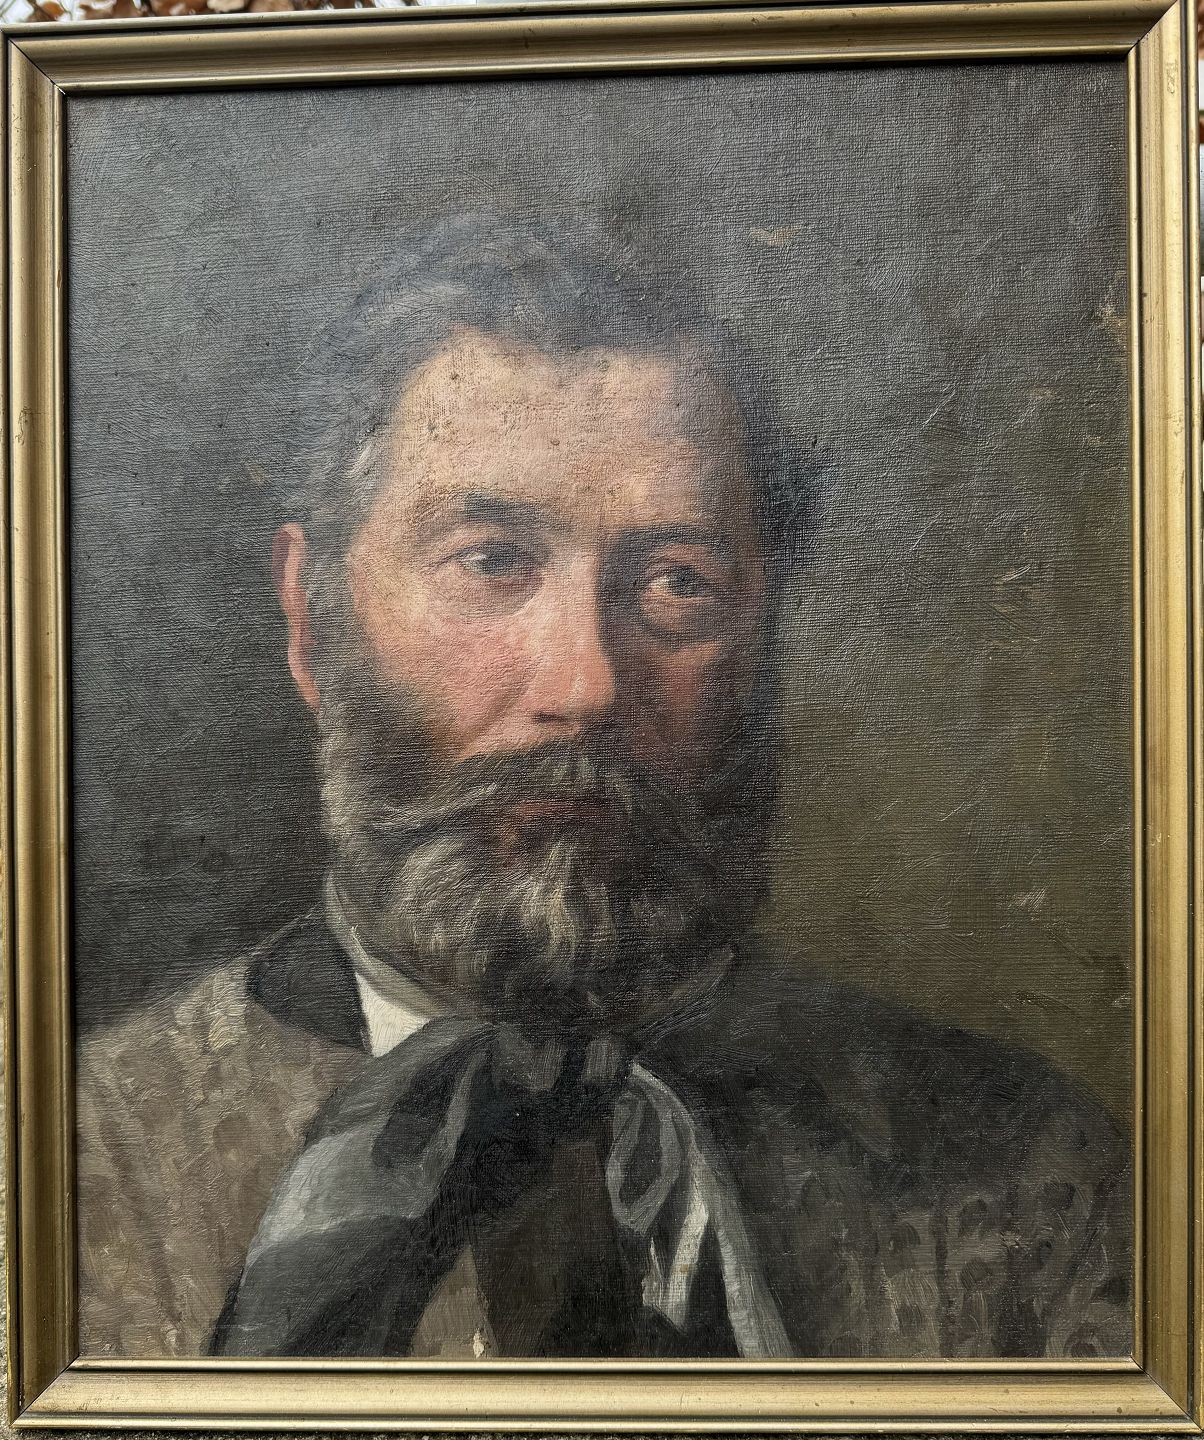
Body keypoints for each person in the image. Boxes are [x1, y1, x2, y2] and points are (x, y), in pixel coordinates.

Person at [76, 216, 1131, 1362]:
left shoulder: (1028, 1176)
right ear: (310, 618)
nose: (584, 684)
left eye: (677, 582)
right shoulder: (74, 1159)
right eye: (491, 560)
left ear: (763, 636)